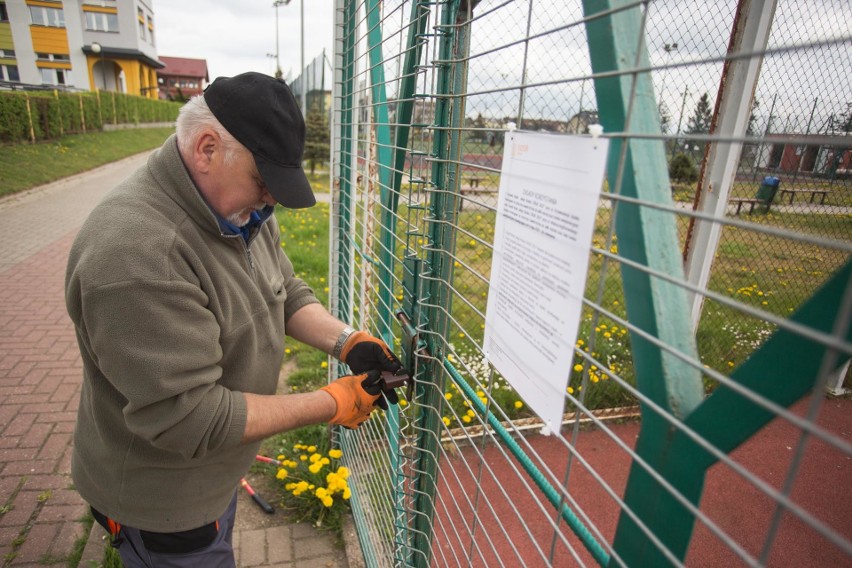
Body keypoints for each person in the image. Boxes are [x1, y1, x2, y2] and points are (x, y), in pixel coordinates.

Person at [65, 72, 403, 567]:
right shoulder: (137, 255)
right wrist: (333, 402)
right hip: (166, 501)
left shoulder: (236, 208)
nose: (269, 200)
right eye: (263, 182)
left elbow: (285, 290)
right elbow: (191, 417)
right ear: (206, 149)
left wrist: (346, 342)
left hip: (214, 469)